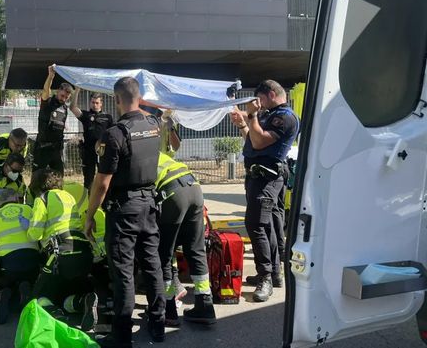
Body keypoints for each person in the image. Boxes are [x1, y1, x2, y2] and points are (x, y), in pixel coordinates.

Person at [84, 77, 165, 347]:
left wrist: (89, 216)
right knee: (152, 266)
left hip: (124, 211)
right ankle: (158, 324)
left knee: (123, 273)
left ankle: (121, 337)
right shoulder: (154, 125)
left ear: (117, 99)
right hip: (149, 205)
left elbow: (102, 182)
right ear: (138, 96)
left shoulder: (115, 133)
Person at [229, 79, 299, 302]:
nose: (257, 104)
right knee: (266, 224)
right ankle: (273, 274)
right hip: (257, 176)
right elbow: (251, 140)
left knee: (255, 224)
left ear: (270, 94)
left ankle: (266, 277)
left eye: (259, 99)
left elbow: (259, 142)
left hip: (267, 177)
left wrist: (251, 116)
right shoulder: (270, 114)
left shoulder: (285, 117)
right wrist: (244, 123)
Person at [27, 168, 98, 332]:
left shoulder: (42, 199)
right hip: (83, 253)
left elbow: (35, 234)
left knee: (39, 297)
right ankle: (83, 301)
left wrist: (27, 225)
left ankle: (57, 316)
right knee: (66, 295)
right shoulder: (68, 196)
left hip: (60, 255)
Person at [155, 152, 216, 326]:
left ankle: (169, 310)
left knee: (164, 253)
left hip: (172, 193)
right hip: (194, 189)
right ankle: (205, 306)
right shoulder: (155, 150)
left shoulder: (133, 154)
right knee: (196, 249)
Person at [0, 202, 41, 324]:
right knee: (34, 281)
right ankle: (27, 289)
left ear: (0, 202)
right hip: (31, 263)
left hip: (7, 266)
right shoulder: (29, 209)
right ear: (17, 199)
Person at [32, 65, 73, 174]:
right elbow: (46, 90)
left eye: (66, 98)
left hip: (56, 150)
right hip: (42, 148)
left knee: (59, 176)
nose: (63, 99)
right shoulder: (48, 102)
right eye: (62, 95)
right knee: (38, 177)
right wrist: (50, 76)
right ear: (58, 91)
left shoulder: (64, 108)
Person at [70, 90, 114, 190]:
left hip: (102, 151)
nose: (95, 105)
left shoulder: (108, 117)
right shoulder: (85, 115)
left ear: (101, 104)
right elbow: (72, 108)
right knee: (88, 179)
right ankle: (87, 201)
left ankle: (105, 202)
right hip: (88, 151)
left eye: (97, 103)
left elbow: (112, 134)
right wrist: (76, 91)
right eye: (93, 102)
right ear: (90, 103)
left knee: (104, 178)